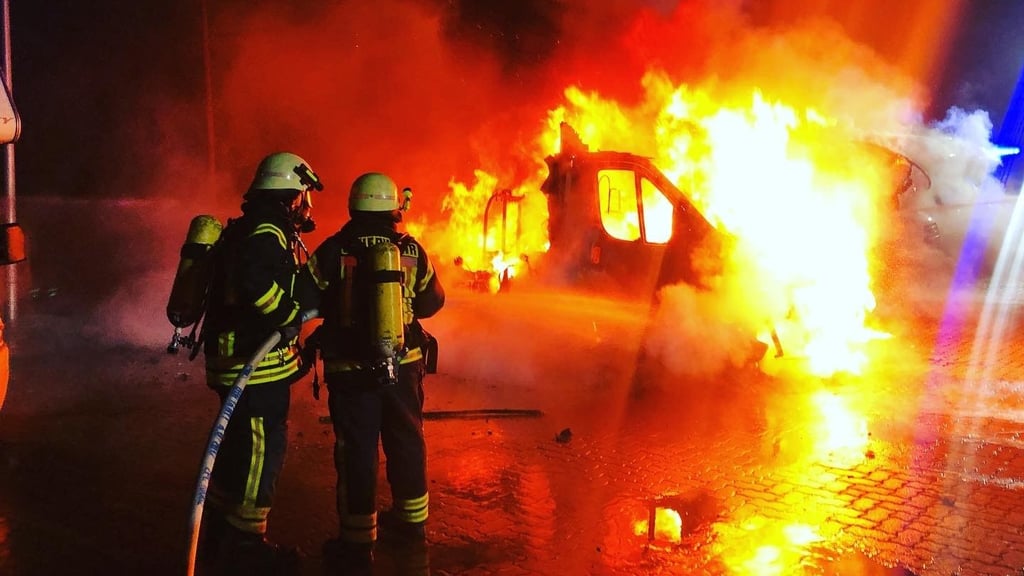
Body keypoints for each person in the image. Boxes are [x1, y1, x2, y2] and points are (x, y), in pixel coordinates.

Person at [308, 172, 445, 574]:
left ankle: (356, 541)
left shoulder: (333, 250)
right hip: (403, 367)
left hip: (351, 370)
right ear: (392, 209)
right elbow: (433, 302)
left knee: (357, 449)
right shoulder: (411, 250)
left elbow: (305, 300)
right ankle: (411, 524)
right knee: (406, 440)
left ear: (354, 206)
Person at [197, 151, 323, 575]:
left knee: (235, 453)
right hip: (251, 366)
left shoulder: (254, 227)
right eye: (303, 196)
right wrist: (288, 317)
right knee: (259, 452)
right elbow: (256, 282)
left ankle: (218, 533)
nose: (306, 206)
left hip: (239, 359)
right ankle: (246, 546)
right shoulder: (267, 230)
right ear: (290, 195)